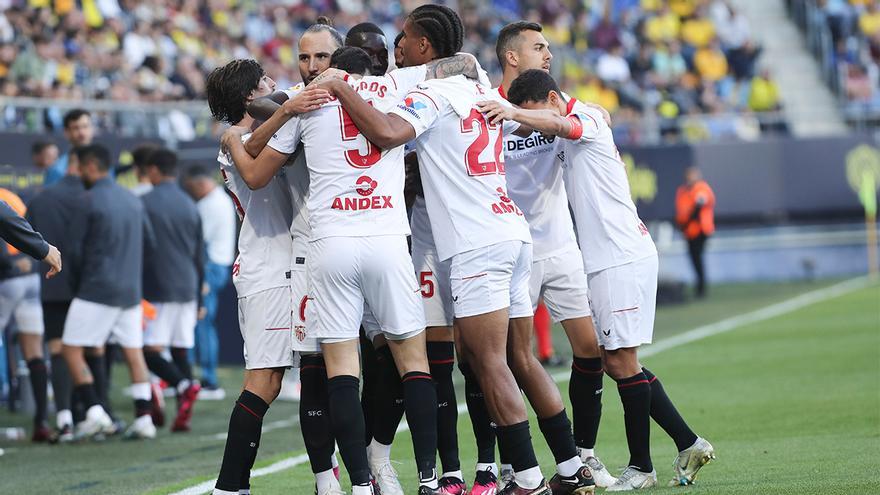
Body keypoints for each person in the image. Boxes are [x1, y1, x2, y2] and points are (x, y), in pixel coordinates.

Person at [315, 6, 581, 494]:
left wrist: (342, 87)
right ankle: (569, 467)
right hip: (511, 230)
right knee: (518, 357)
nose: (398, 49)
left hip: (477, 243)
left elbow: (388, 133)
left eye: (406, 40)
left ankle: (528, 479)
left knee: (489, 362)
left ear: (421, 46)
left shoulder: (428, 94)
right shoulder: (477, 79)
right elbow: (457, 66)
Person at [227, 42, 487, 495]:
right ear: (376, 64)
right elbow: (459, 65)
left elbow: (254, 163)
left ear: (332, 67)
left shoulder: (306, 103)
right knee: (414, 363)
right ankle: (432, 478)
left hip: (330, 245)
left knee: (341, 370)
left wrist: (240, 132)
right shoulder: (395, 88)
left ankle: (360, 485)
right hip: (387, 239)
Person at [482, 69, 715, 490]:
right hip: (608, 257)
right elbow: (550, 121)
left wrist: (514, 111)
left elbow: (558, 123)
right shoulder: (577, 114)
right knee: (615, 361)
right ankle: (688, 442)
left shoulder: (584, 119)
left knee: (621, 362)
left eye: (531, 114)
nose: (529, 124)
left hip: (619, 256)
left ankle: (642, 467)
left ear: (552, 100)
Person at [206, 56, 339, 495]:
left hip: (303, 260)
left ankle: (327, 480)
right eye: (264, 78)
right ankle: (230, 486)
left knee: (319, 369)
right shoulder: (233, 139)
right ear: (250, 94)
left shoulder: (284, 124)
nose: (275, 80)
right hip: (267, 266)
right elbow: (250, 152)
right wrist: (287, 108)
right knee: (264, 379)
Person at [492, 20, 617, 488]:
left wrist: (597, 112)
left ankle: (583, 454)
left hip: (561, 245)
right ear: (511, 55)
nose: (548, 55)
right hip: (511, 249)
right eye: (538, 47)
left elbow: (589, 119)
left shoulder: (552, 100)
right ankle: (511, 462)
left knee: (590, 352)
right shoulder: (484, 102)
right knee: (508, 358)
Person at [60, 144, 157, 440]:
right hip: (129, 289)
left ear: (90, 166)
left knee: (70, 348)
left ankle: (94, 411)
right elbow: (149, 244)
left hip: (97, 288)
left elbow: (73, 252)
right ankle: (144, 419)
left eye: (77, 166)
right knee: (133, 352)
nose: (75, 172)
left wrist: (78, 286)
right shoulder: (132, 200)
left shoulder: (86, 199)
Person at [139, 148, 203, 432]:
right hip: (187, 286)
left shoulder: (144, 202)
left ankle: (183, 384)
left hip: (157, 287)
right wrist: (200, 295)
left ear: (153, 170)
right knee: (180, 349)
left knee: (146, 350)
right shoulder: (190, 204)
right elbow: (199, 253)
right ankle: (183, 415)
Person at [25, 151, 85, 442]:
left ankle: (64, 417)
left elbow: (26, 238)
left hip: (53, 283)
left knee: (58, 348)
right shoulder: (91, 196)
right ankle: (90, 412)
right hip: (87, 286)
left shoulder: (41, 199)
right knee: (91, 349)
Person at [0, 188, 51, 441]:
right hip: (30, 275)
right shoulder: (12, 196)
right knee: (34, 350)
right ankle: (41, 420)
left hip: (6, 278)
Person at [182, 165, 236, 399]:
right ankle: (203, 379)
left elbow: (197, 241)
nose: (192, 193)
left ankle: (209, 381)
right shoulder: (219, 200)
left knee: (202, 323)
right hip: (217, 264)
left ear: (201, 183)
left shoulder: (210, 204)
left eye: (193, 188)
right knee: (202, 323)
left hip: (210, 266)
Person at [675, 167, 715, 298]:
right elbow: (681, 210)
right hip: (688, 231)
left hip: (700, 229)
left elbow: (699, 207)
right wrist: (682, 224)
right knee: (694, 258)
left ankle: (701, 287)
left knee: (697, 257)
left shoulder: (701, 188)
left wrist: (686, 223)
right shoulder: (682, 191)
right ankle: (699, 286)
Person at [45, 109, 94, 187]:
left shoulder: (104, 166)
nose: (81, 132)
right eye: (76, 128)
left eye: (85, 126)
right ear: (66, 132)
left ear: (92, 129)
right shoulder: (57, 170)